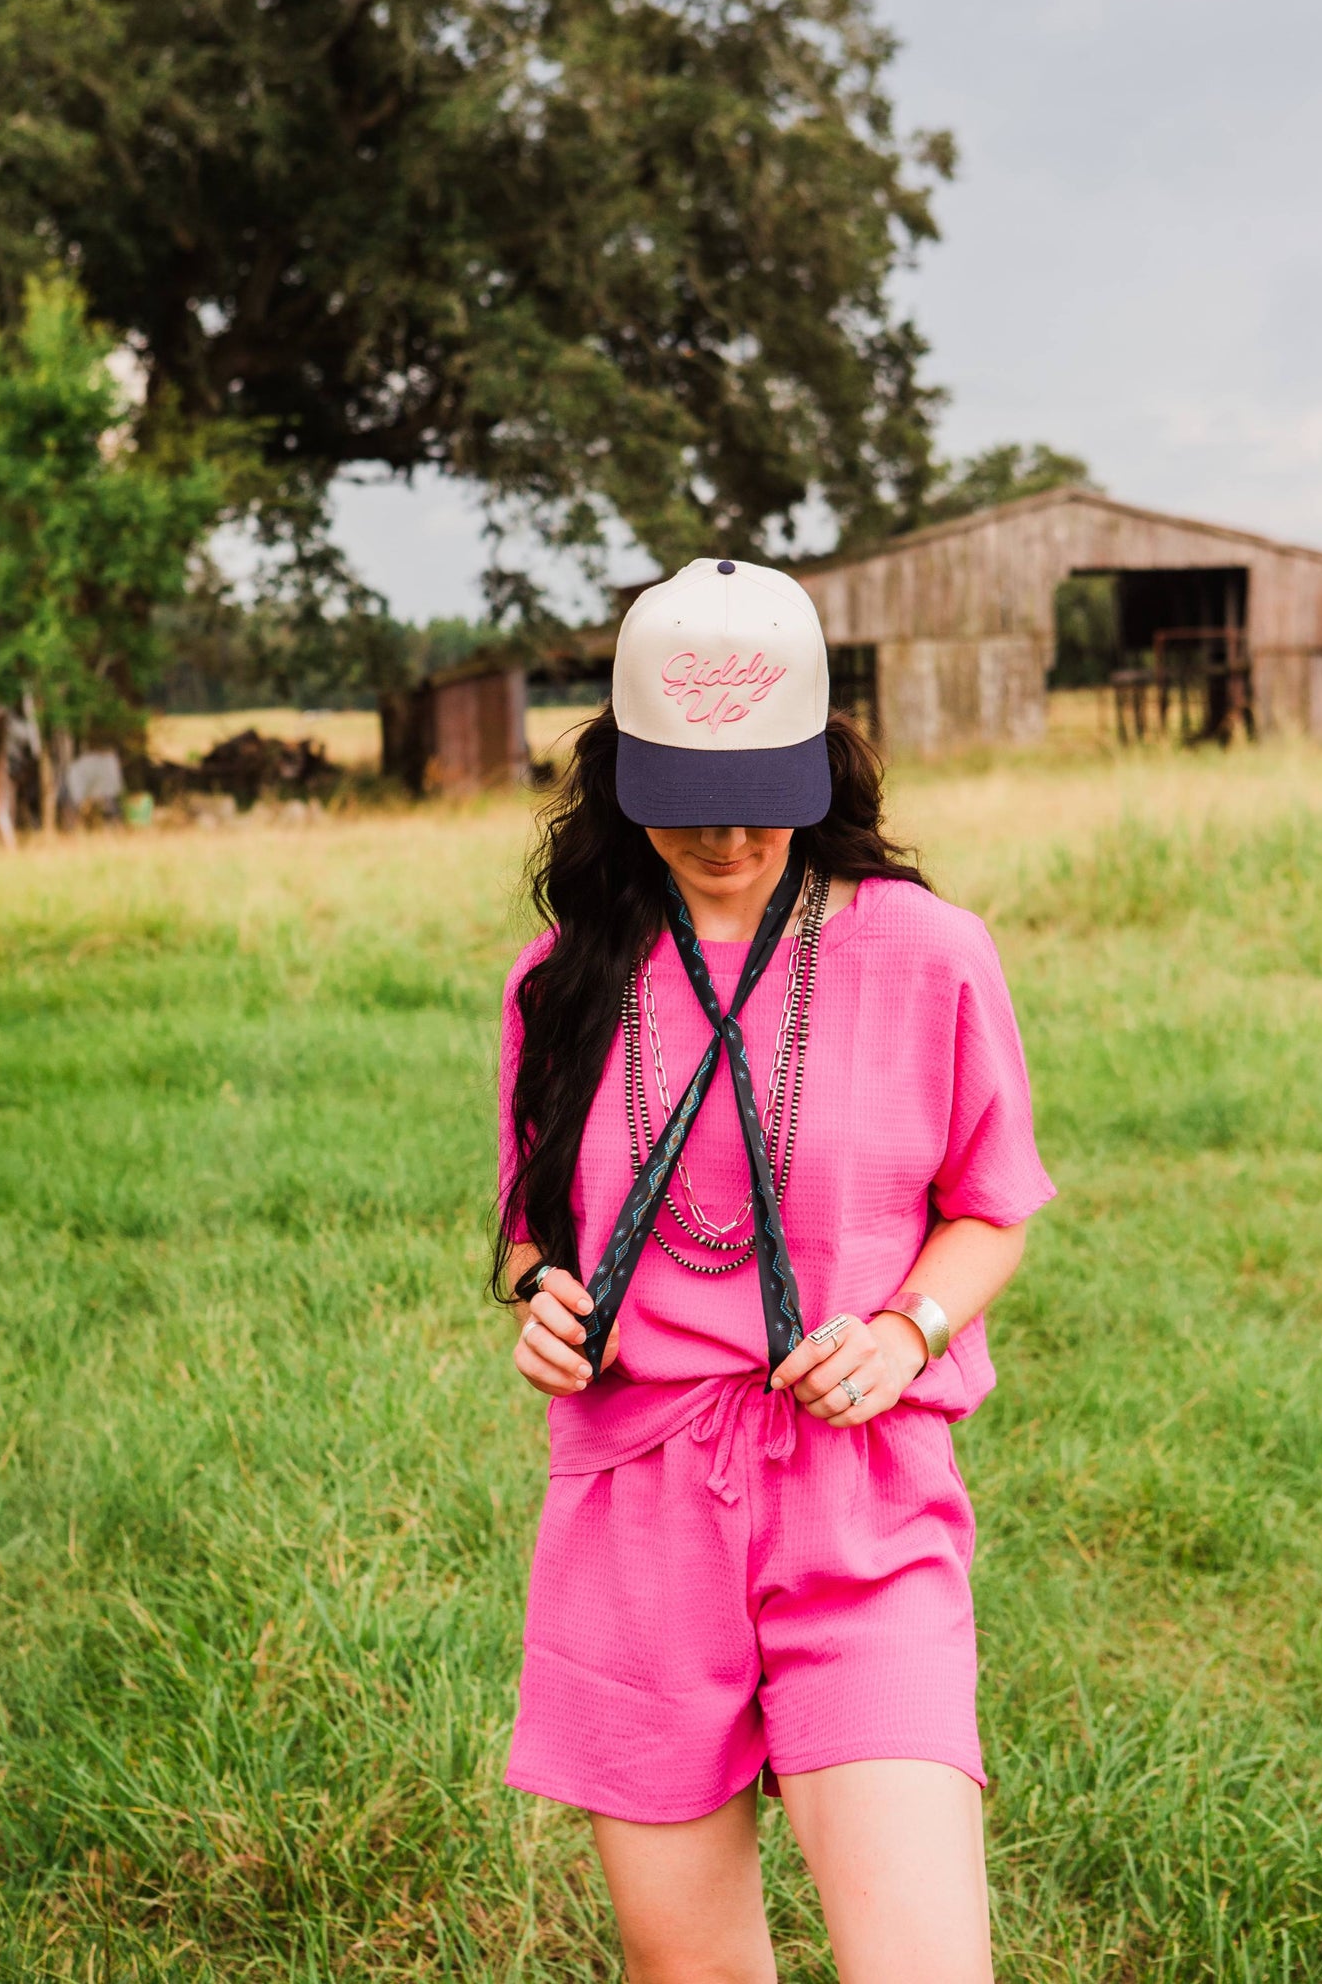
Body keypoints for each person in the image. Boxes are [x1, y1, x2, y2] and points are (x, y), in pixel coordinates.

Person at [494, 558, 1055, 1984]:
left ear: (820, 762)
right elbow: (533, 1223)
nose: (728, 830)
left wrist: (911, 1326)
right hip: (638, 1508)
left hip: (860, 1502)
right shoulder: (557, 980)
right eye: (684, 794)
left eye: (761, 789)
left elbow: (992, 1207)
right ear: (623, 776)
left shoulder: (930, 955)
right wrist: (540, 1300)